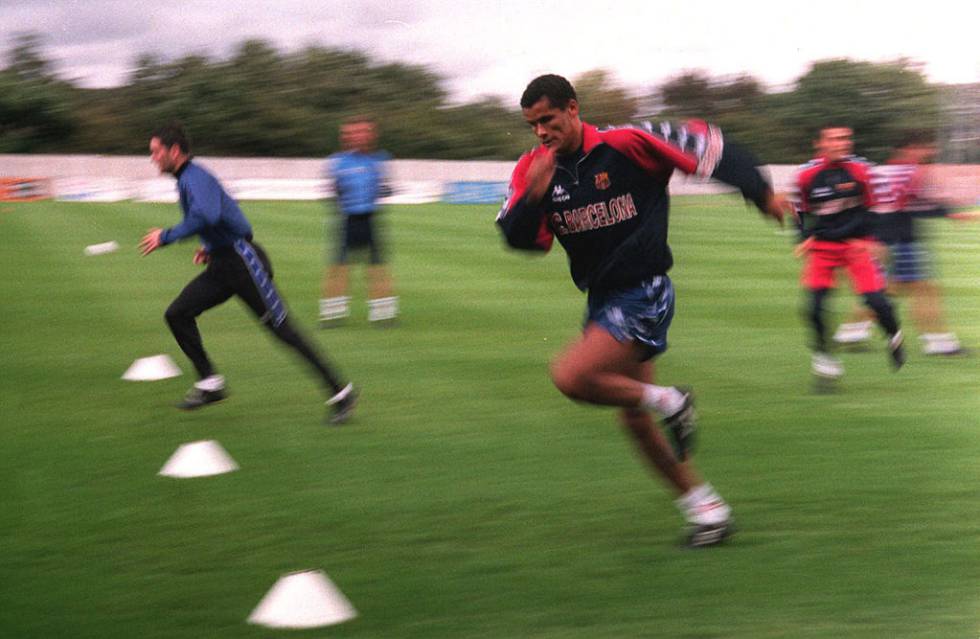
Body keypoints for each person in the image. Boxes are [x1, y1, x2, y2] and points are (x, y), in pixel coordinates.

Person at [496, 74, 791, 548]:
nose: (540, 133)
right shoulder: (533, 168)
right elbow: (521, 241)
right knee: (633, 417)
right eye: (532, 125)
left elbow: (712, 147)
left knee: (572, 376)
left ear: (573, 109)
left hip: (645, 289)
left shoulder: (628, 142)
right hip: (603, 299)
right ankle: (708, 511)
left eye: (547, 120)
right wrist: (534, 194)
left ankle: (673, 401)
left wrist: (762, 194)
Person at [139, 122, 356, 424]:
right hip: (223, 264)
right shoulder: (188, 179)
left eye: (155, 152)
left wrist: (166, 236)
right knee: (177, 314)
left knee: (284, 331)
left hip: (244, 264)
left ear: (174, 151)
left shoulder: (194, 176)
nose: (152, 158)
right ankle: (210, 383)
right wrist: (211, 246)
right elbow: (222, 213)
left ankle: (342, 393)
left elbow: (209, 214)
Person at [833, 131, 975, 355]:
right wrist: (952, 214)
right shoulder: (910, 171)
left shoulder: (879, 171)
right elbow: (918, 202)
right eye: (925, 147)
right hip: (900, 238)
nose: (930, 152)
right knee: (924, 289)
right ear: (910, 148)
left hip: (879, 237)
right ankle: (939, 343)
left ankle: (851, 333)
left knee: (889, 289)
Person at [791, 125, 906, 387]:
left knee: (876, 301)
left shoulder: (863, 171)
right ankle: (825, 361)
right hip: (823, 248)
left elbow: (882, 207)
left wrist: (876, 240)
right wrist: (802, 237)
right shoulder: (806, 175)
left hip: (857, 245)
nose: (842, 143)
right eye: (834, 139)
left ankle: (894, 335)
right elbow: (798, 210)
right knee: (813, 308)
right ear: (819, 144)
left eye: (845, 138)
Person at [319, 116, 397, 326]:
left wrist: (384, 189)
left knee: (378, 267)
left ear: (371, 135)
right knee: (338, 267)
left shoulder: (380, 159)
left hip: (370, 219)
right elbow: (331, 190)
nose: (356, 136)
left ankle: (383, 315)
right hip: (347, 220)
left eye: (362, 132)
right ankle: (333, 315)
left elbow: (387, 187)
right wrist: (337, 197)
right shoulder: (337, 161)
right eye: (351, 133)